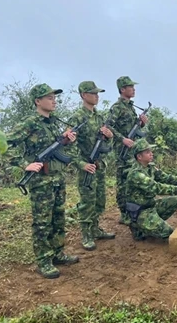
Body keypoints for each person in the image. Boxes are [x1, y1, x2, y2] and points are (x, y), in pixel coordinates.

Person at [5, 84, 79, 279]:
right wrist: (24, 164)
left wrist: (67, 140)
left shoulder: (53, 122)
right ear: (38, 101)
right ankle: (43, 260)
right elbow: (7, 144)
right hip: (41, 181)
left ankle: (57, 252)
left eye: (54, 97)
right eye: (49, 97)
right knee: (42, 222)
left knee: (58, 218)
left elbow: (58, 149)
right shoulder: (30, 122)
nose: (54, 100)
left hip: (57, 178)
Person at [68, 81, 115, 251]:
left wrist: (109, 136)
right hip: (86, 166)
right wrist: (81, 164)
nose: (97, 96)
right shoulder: (77, 118)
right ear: (83, 95)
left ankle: (95, 228)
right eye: (93, 93)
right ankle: (86, 234)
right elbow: (68, 147)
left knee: (99, 200)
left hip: (99, 165)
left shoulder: (100, 117)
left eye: (97, 93)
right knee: (87, 201)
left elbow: (107, 145)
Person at [124, 139, 177, 240]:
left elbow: (167, 178)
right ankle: (138, 228)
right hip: (140, 211)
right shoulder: (136, 174)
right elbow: (157, 188)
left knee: (176, 200)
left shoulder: (149, 167)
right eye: (147, 152)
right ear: (139, 157)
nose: (151, 154)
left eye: (151, 151)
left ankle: (152, 224)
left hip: (150, 205)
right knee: (168, 232)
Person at [108, 76, 148, 225]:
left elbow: (133, 128)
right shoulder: (117, 107)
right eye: (130, 87)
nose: (133, 89)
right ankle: (124, 213)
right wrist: (122, 138)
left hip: (132, 151)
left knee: (133, 180)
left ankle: (134, 210)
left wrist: (142, 124)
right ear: (122, 89)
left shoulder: (130, 107)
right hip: (122, 151)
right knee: (123, 182)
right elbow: (108, 126)